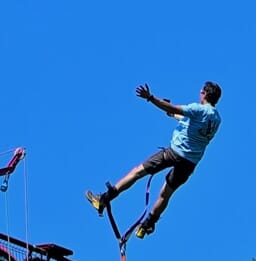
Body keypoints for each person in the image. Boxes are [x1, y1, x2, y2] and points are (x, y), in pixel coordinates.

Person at [85, 80, 222, 239]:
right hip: (190, 163)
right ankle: (147, 225)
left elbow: (174, 108)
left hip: (174, 153)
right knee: (165, 194)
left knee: (137, 172)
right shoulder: (216, 119)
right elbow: (188, 122)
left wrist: (151, 98)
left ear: (204, 93)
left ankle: (103, 199)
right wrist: (171, 114)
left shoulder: (198, 109)